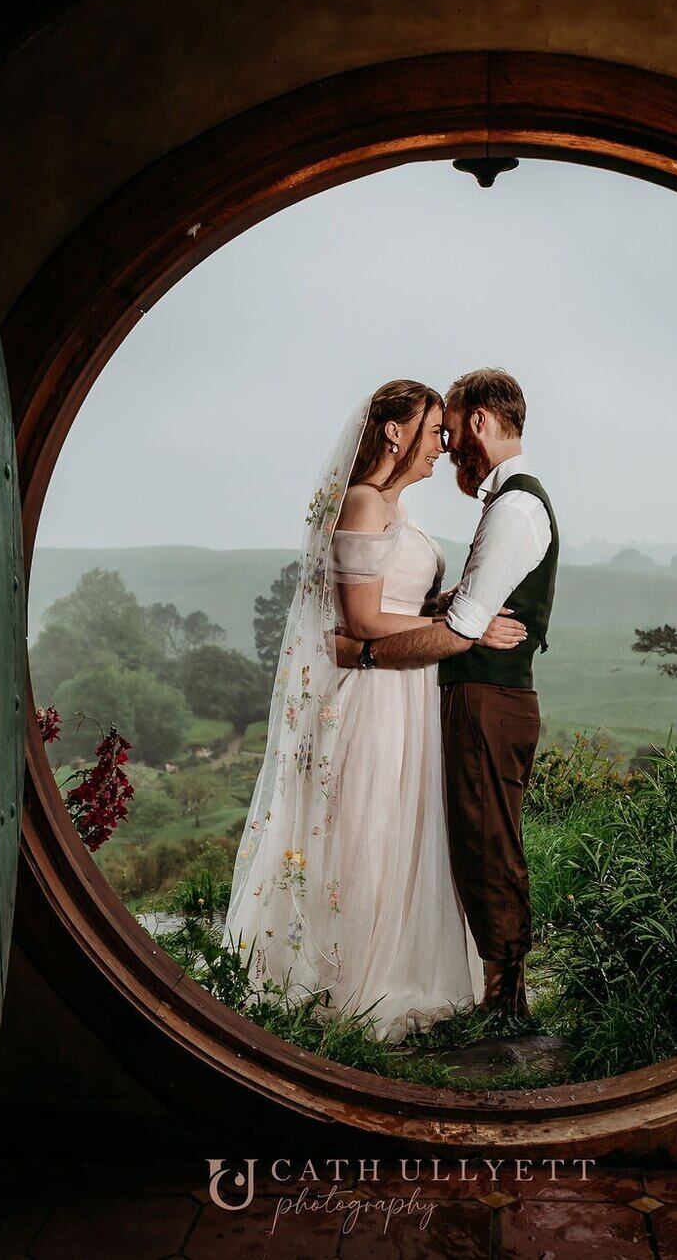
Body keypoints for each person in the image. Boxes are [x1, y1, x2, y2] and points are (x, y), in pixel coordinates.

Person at [223, 379, 526, 1040]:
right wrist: (463, 632)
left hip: (410, 690)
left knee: (400, 824)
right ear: (395, 431)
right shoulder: (363, 502)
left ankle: (392, 961)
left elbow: (396, 602)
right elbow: (359, 617)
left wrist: (446, 608)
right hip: (377, 696)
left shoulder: (395, 508)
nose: (444, 447)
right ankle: (354, 977)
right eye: (434, 431)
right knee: (370, 824)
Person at [334, 368, 558, 1022]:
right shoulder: (501, 501)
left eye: (452, 430)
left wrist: (364, 648)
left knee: (488, 841)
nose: (448, 445)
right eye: (437, 433)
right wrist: (442, 610)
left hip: (490, 694)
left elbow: (464, 630)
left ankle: (507, 999)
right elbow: (457, 611)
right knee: (471, 839)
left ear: (480, 421)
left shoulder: (515, 506)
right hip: (464, 695)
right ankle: (497, 990)